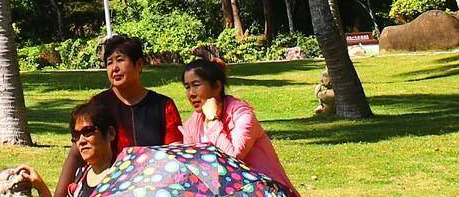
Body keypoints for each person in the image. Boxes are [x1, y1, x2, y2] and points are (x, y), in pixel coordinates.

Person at [53, 34, 178, 195]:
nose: (114, 68)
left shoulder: (163, 106)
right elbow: (76, 154)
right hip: (108, 190)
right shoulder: (98, 104)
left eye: (120, 60)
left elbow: (175, 156)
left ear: (139, 64)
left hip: (154, 189)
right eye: (109, 62)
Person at [181, 57, 294, 194]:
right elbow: (193, 169)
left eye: (196, 85)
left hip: (264, 189)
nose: (191, 94)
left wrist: (212, 120)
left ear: (217, 86)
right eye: (187, 87)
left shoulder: (242, 114)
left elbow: (232, 160)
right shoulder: (193, 124)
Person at [9, 101, 124, 197]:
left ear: (110, 133)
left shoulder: (124, 174)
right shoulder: (80, 176)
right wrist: (40, 186)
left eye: (88, 131)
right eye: (76, 135)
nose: (81, 141)